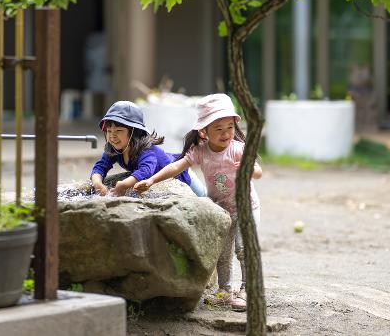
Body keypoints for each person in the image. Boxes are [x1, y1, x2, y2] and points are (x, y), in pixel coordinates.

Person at [134, 93, 263, 312]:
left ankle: (248, 288)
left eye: (229, 127)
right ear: (204, 131)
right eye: (219, 129)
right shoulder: (200, 151)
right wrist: (152, 179)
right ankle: (224, 290)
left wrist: (247, 167)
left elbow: (258, 173)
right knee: (222, 253)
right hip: (221, 209)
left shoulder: (238, 149)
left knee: (242, 248)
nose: (226, 134)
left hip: (246, 207)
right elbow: (176, 167)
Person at [90, 101, 206, 197]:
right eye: (109, 131)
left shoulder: (147, 151)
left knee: (206, 198)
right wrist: (97, 183)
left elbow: (145, 171)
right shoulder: (114, 148)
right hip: (158, 180)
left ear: (134, 132)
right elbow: (101, 166)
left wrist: (123, 185)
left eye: (118, 131)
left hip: (180, 173)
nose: (112, 136)